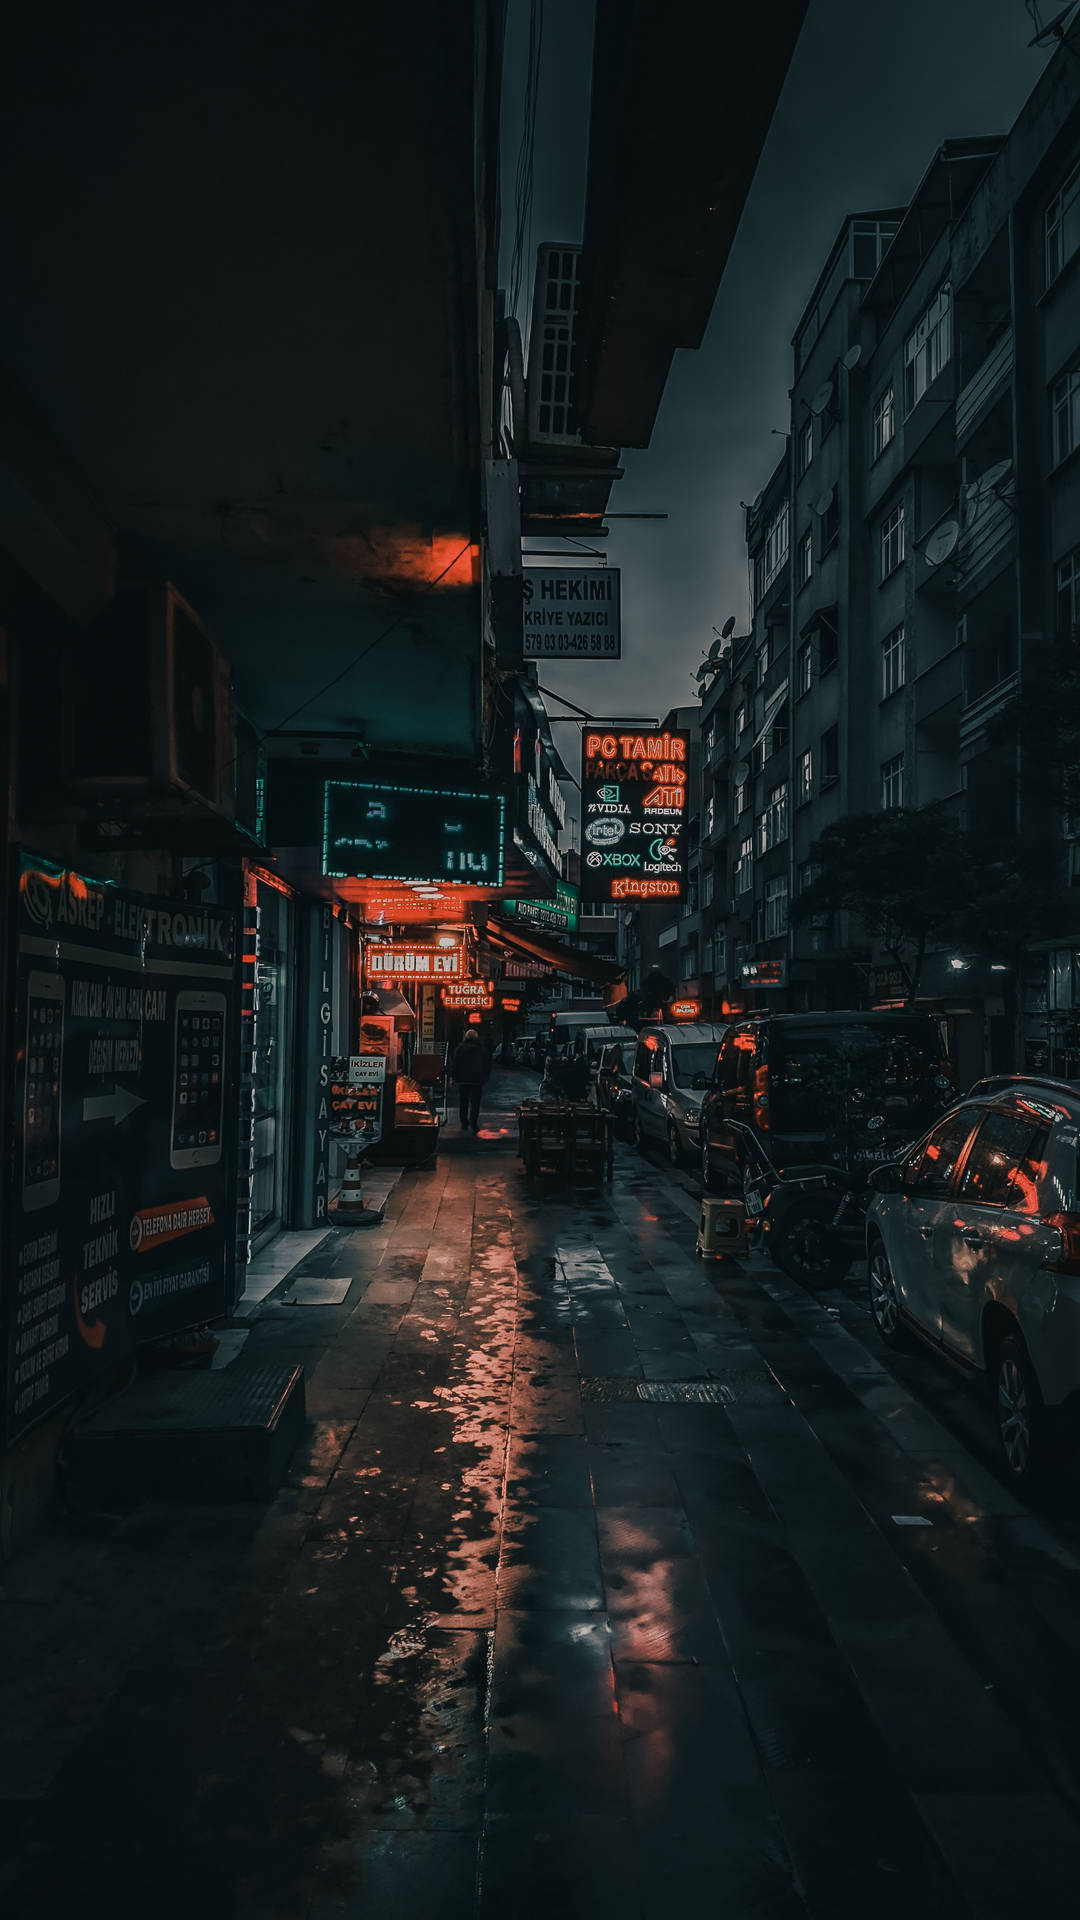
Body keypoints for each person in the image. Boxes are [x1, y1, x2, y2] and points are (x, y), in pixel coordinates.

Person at [451, 1028, 490, 1132]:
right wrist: (485, 1076)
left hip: (463, 1080)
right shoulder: (481, 1049)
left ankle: (464, 1122)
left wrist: (454, 1077)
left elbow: (455, 1064)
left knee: (463, 1102)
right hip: (477, 1080)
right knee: (475, 1103)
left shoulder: (460, 1049)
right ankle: (474, 1122)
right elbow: (487, 1064)